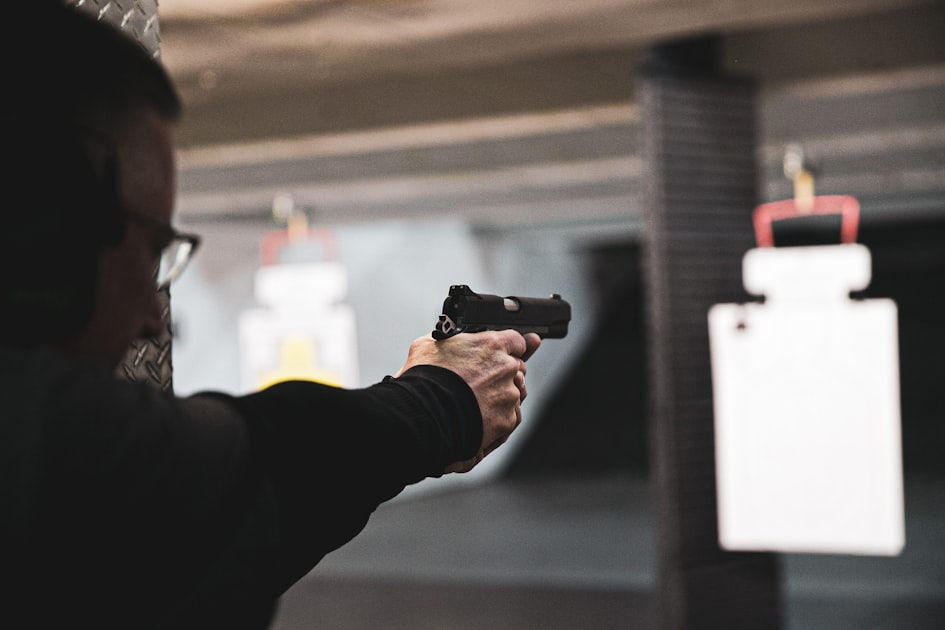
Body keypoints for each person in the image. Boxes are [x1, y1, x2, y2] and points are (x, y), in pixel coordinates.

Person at [1, 4, 541, 628]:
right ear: (46, 239)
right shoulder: (40, 443)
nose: (154, 315)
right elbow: (267, 467)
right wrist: (442, 401)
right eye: (149, 249)